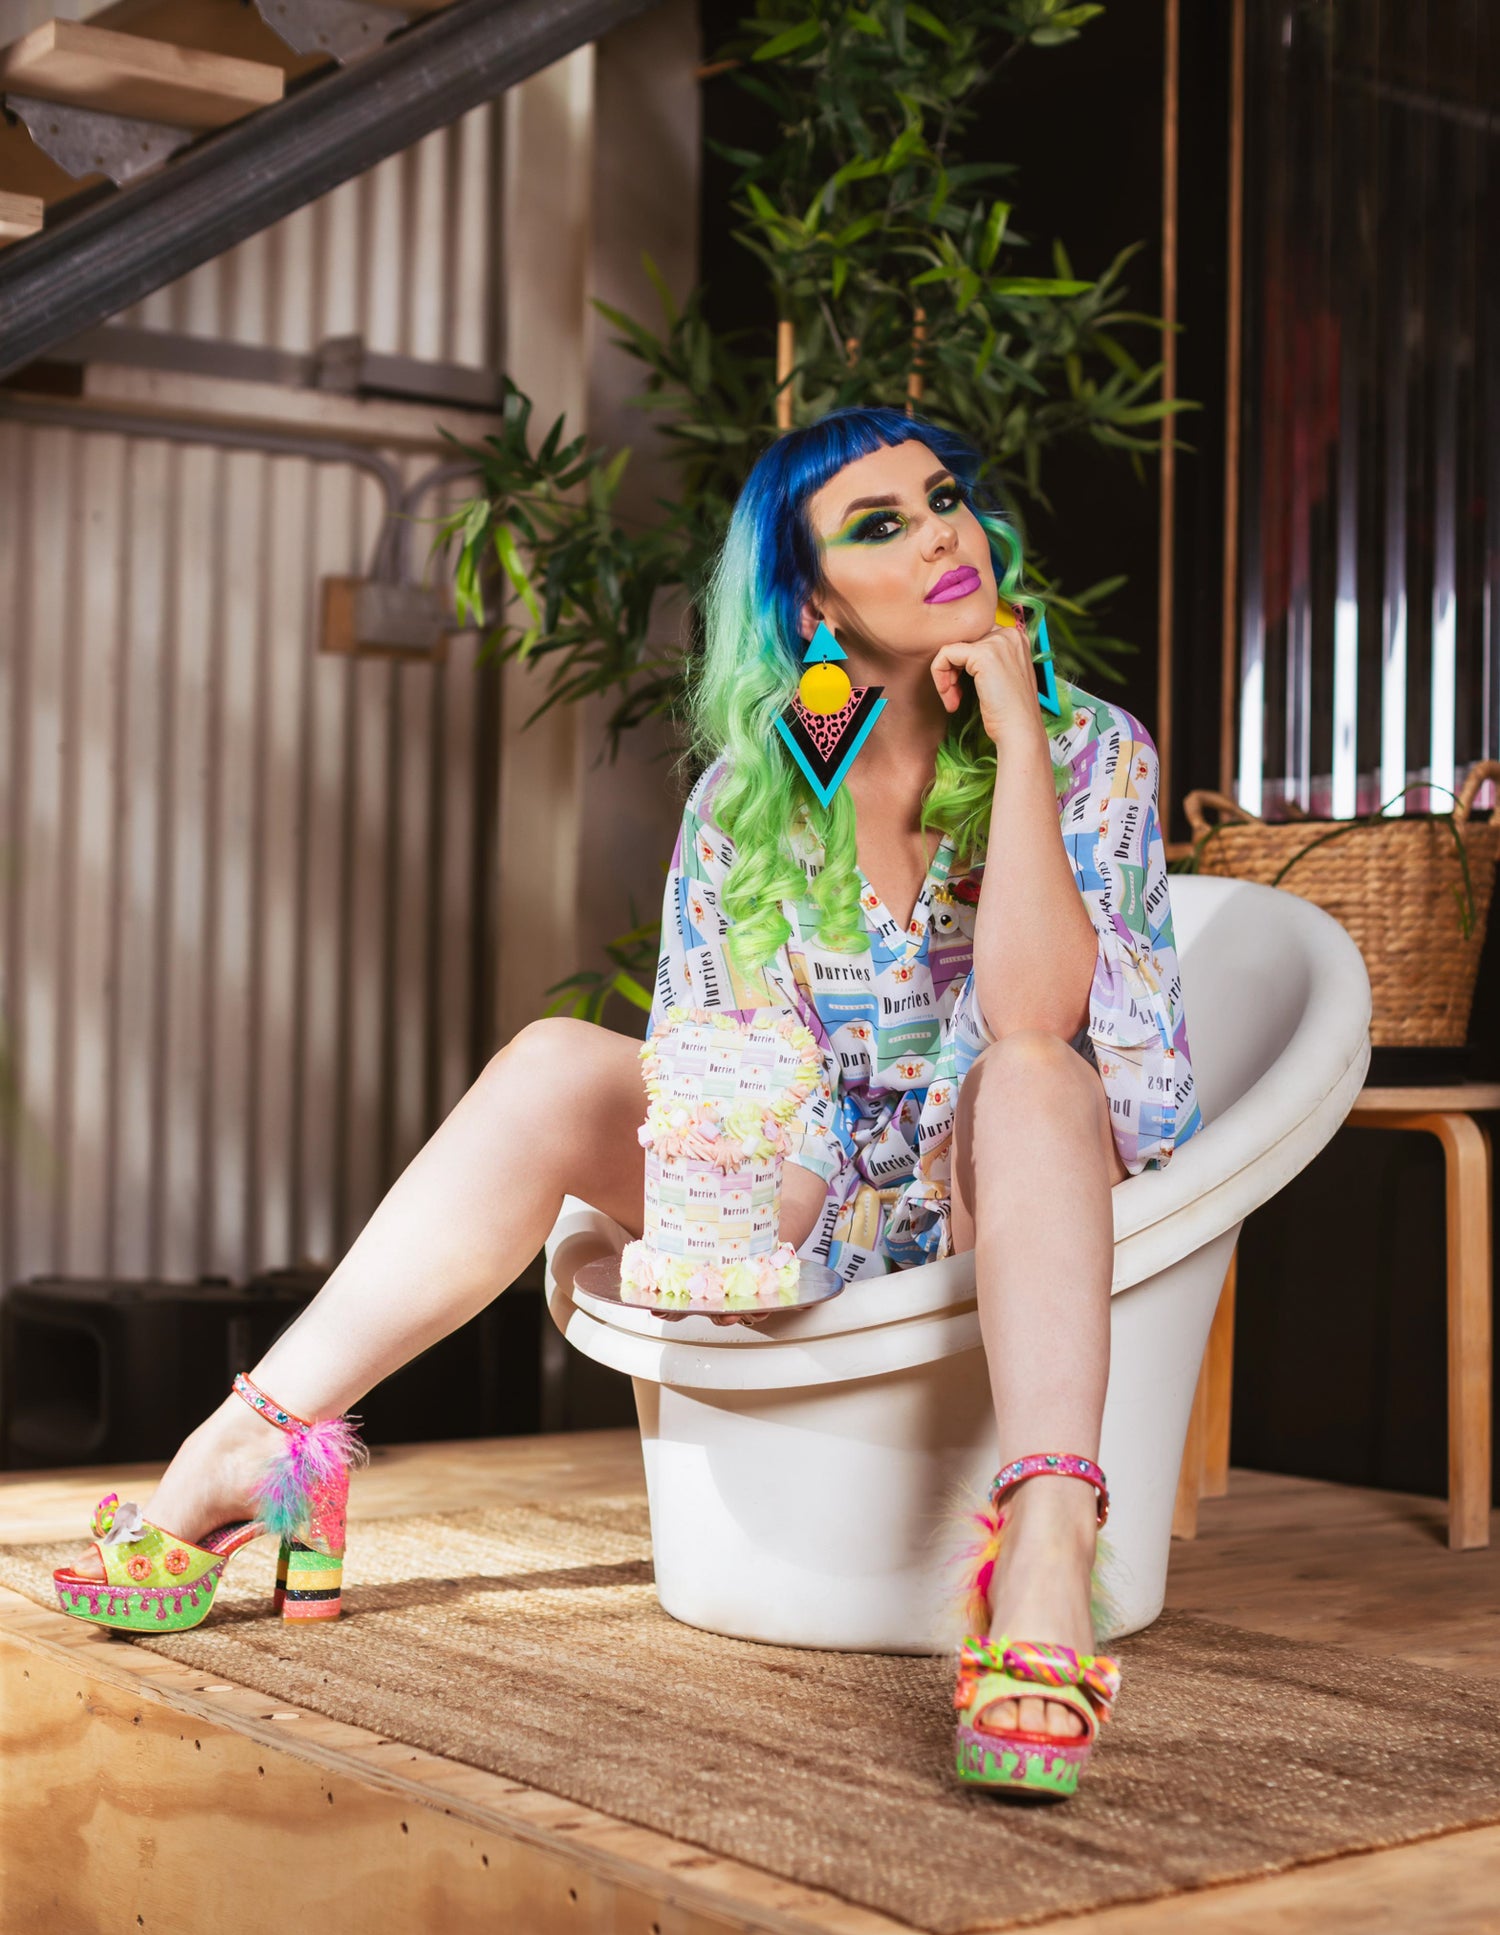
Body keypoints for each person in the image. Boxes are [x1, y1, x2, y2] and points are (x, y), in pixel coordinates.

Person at [56, 407, 1201, 1796]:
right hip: (821, 1207)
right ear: (814, 597)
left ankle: (1044, 1540)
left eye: (945, 497)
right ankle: (258, 1439)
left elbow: (1037, 1018)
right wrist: (683, 1224)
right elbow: (729, 1093)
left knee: (1025, 1073)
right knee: (549, 1060)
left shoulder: (1092, 752)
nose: (942, 533)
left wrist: (1017, 735)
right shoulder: (762, 785)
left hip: (1021, 1203)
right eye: (880, 521)